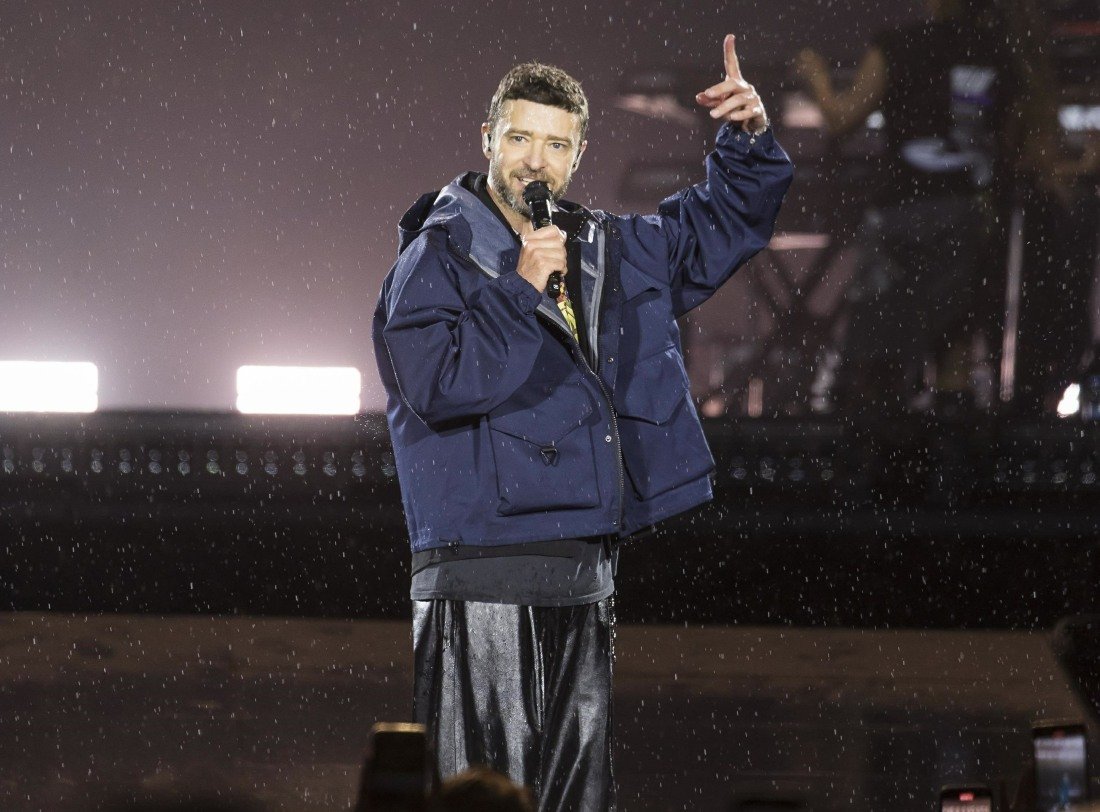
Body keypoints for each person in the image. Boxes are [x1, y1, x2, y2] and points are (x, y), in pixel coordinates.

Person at [372, 35, 792, 810]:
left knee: (577, 800)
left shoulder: (603, 247)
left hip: (583, 573)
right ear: (488, 138)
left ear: (578, 155)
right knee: (480, 797)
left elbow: (718, 228)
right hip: (481, 575)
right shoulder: (437, 255)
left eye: (557, 145)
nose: (536, 161)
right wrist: (520, 288)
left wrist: (749, 137)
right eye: (520, 138)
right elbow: (435, 384)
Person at [797, 0, 1015, 414]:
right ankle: (950, 442)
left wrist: (817, 78)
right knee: (953, 349)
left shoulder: (900, 45)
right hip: (967, 212)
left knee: (882, 352)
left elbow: (842, 119)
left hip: (902, 212)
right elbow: (1015, 140)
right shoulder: (998, 49)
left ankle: (887, 444)